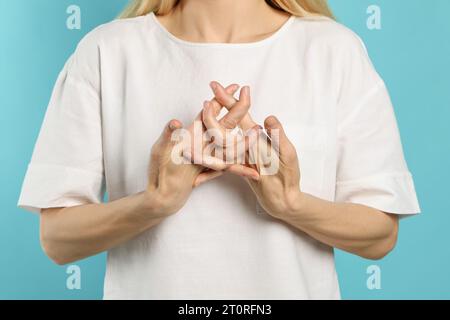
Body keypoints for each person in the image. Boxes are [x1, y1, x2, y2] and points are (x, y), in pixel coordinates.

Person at [18, 0, 420, 299]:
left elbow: (380, 234)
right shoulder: (106, 52)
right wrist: (156, 202)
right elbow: (57, 239)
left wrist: (290, 202)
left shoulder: (333, 51)